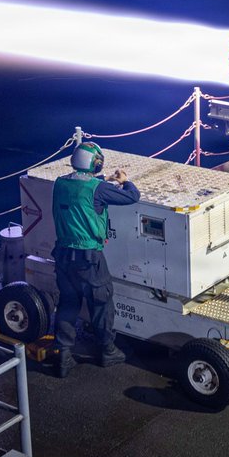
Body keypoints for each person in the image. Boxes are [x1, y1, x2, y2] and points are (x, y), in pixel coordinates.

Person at [51, 141, 140, 377]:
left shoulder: (59, 184)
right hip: (89, 257)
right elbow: (132, 196)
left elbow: (82, 189)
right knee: (101, 303)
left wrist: (102, 181)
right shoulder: (97, 189)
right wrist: (123, 180)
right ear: (96, 164)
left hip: (62, 255)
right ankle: (107, 351)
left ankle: (63, 356)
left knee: (68, 303)